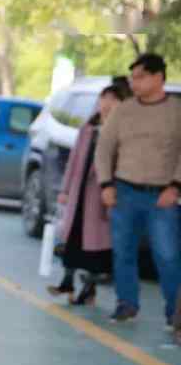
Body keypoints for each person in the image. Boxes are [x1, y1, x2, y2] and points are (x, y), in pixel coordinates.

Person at [95, 53, 181, 325]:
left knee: (167, 256)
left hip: (162, 196)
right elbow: (104, 148)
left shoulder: (176, 111)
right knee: (123, 252)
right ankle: (126, 304)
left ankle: (175, 313)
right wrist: (106, 183)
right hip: (125, 192)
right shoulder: (124, 110)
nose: (134, 83)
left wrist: (176, 187)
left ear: (158, 77)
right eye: (132, 78)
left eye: (140, 77)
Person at [46, 85, 125, 305]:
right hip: (79, 194)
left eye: (113, 99)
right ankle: (67, 282)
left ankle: (89, 288)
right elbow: (73, 161)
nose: (106, 103)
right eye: (104, 98)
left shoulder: (121, 130)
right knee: (73, 241)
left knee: (96, 248)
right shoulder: (88, 128)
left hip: (100, 197)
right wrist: (65, 190)